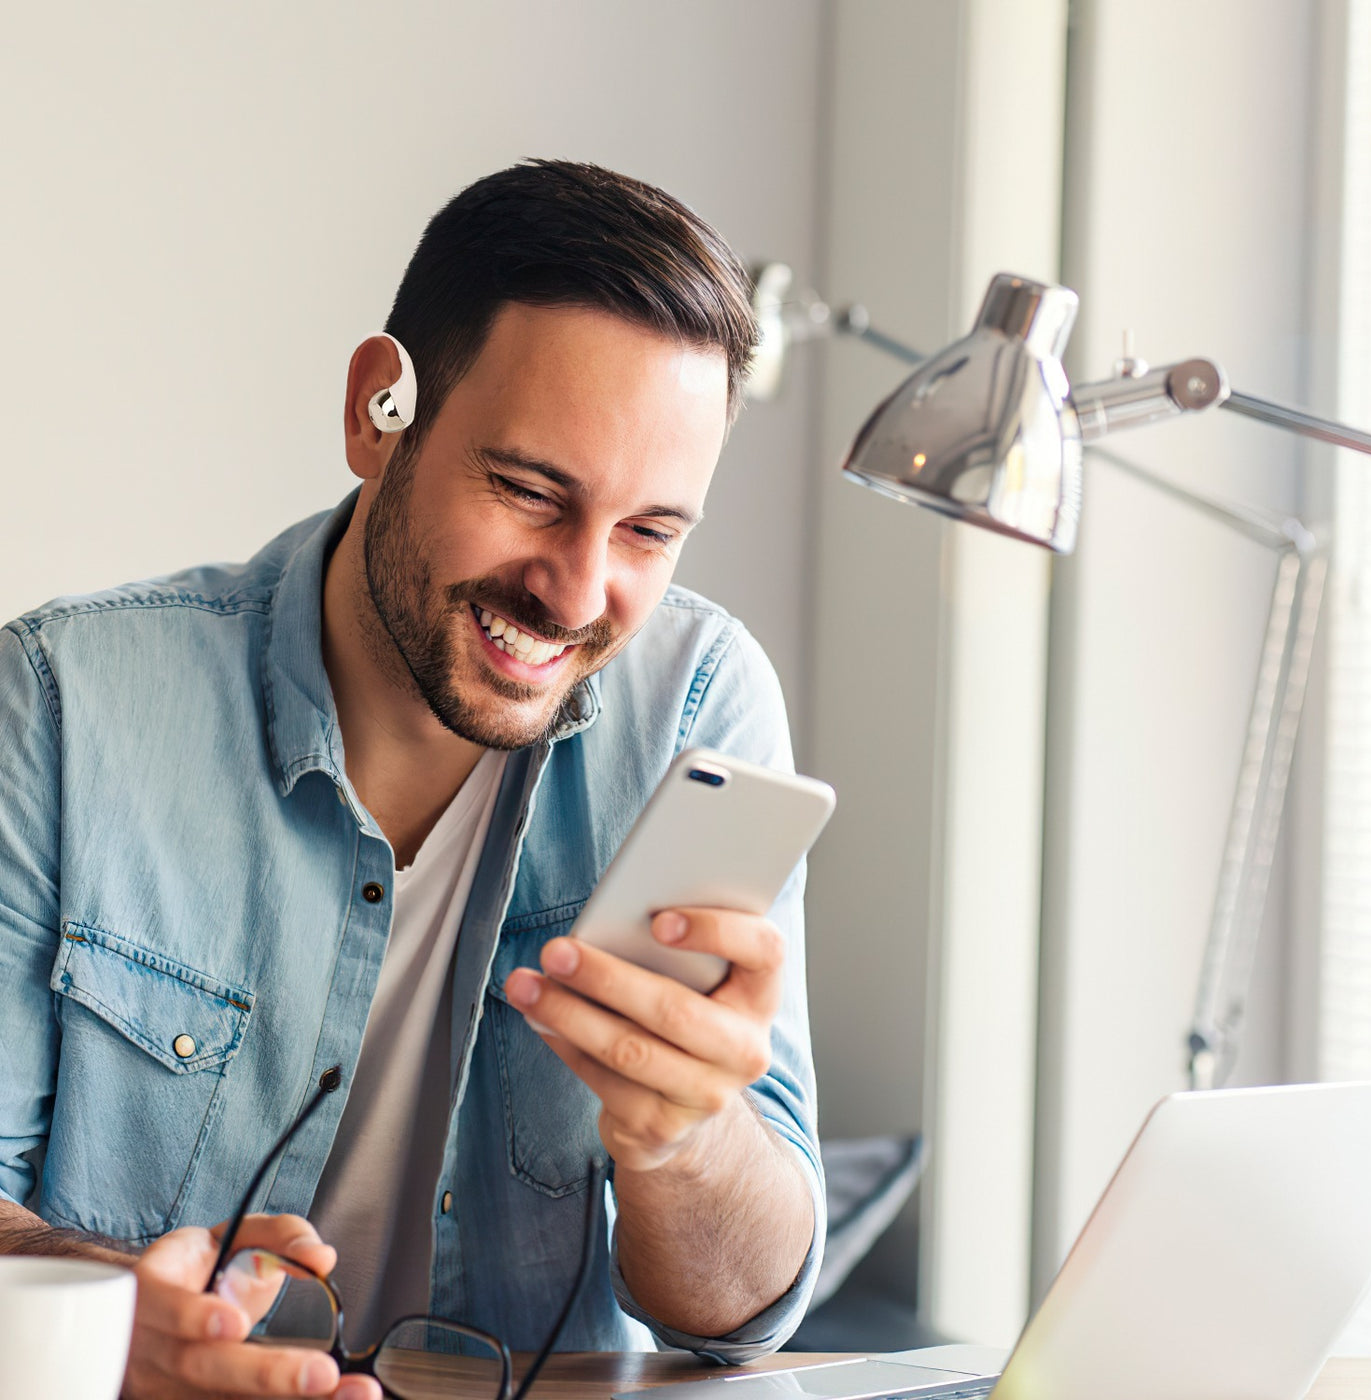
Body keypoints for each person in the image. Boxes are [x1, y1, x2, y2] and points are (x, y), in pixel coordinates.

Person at [0, 160, 824, 1399]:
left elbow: (736, 1321)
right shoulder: (66, 704)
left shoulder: (698, 712)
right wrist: (113, 1322)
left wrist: (688, 1131)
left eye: (649, 532)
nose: (578, 589)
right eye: (530, 491)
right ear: (376, 411)